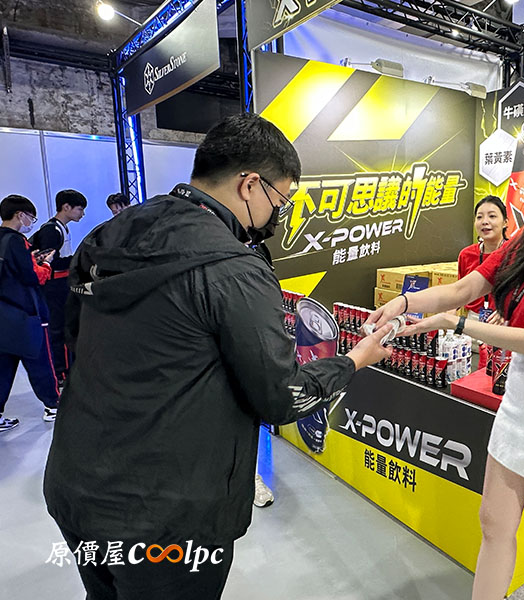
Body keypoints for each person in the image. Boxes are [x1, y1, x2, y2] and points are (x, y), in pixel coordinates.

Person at [43, 113, 392, 600]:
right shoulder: (232, 268)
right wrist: (353, 360)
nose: (276, 216)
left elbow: (74, 339)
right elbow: (281, 396)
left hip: (76, 484)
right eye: (280, 201)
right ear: (250, 185)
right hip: (166, 515)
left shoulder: (107, 236)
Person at [367, 136, 524, 600]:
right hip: (522, 392)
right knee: (493, 522)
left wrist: (457, 324)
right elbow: (461, 290)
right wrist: (403, 304)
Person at [0, 195, 59, 430]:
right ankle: (53, 405)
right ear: (20, 215)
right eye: (31, 218)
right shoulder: (17, 241)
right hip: (26, 311)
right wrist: (45, 265)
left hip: (3, 312)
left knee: (3, 365)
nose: (31, 223)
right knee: (40, 359)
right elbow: (31, 277)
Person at [30, 188, 86, 387]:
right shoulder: (51, 231)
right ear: (66, 207)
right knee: (59, 329)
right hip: (54, 287)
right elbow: (49, 262)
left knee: (66, 327)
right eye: (80, 209)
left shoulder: (62, 229)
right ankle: (61, 373)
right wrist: (77, 260)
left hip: (62, 284)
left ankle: (68, 369)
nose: (82, 214)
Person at [457, 195, 507, 322]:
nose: (485, 221)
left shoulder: (516, 253)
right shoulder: (466, 254)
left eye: (492, 216)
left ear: (505, 222)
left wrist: (506, 311)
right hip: (472, 319)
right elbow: (461, 292)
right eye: (479, 217)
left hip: (504, 319)